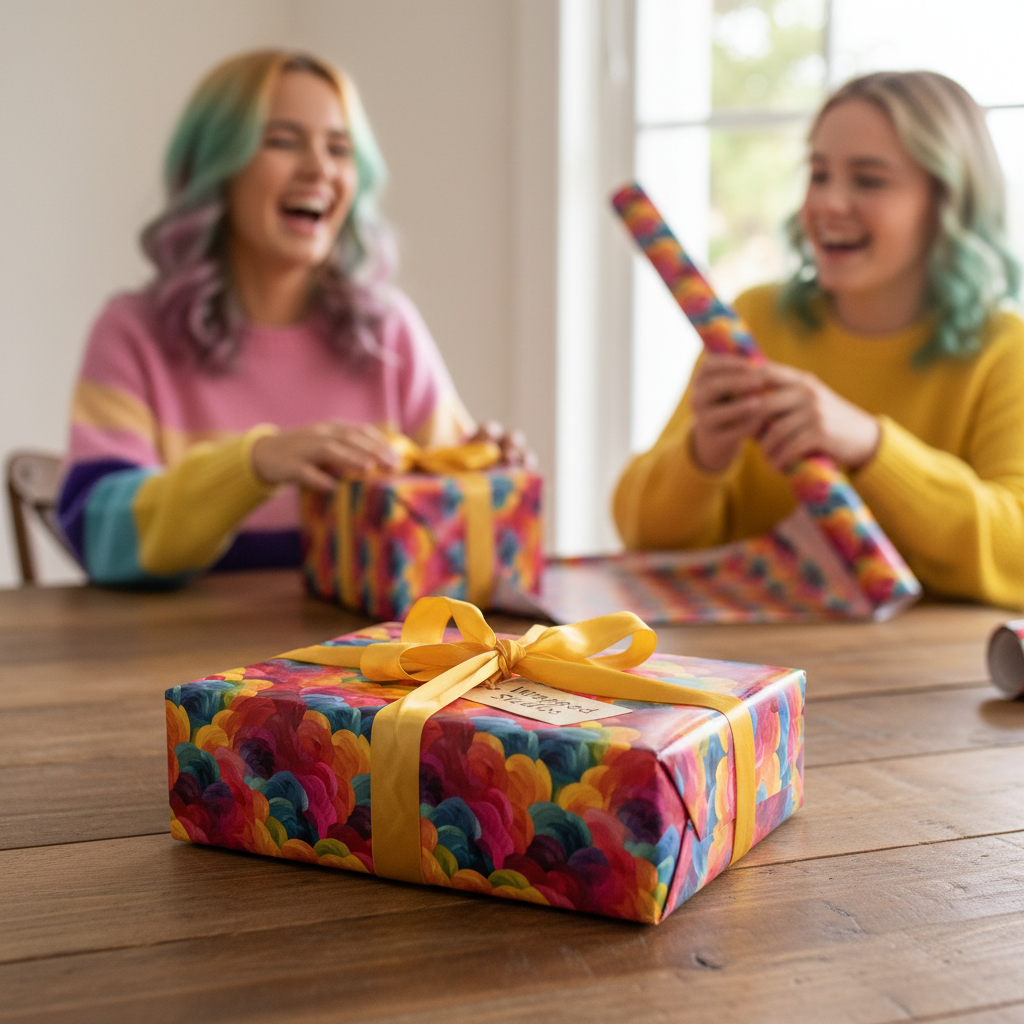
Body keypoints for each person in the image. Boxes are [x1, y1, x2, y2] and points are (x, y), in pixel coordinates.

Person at [58, 50, 525, 585]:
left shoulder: (389, 330)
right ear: (215, 166)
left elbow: (448, 537)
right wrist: (253, 464)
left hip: (364, 659)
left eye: (339, 148)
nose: (320, 169)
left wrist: (490, 479)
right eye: (282, 141)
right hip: (177, 661)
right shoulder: (131, 332)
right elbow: (100, 538)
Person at [614, 71, 1024, 609]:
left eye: (869, 180)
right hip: (756, 663)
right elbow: (641, 534)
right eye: (819, 173)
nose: (829, 203)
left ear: (947, 201)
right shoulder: (758, 319)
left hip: (936, 675)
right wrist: (703, 455)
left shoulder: (1004, 349)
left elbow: (1015, 551)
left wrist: (871, 446)